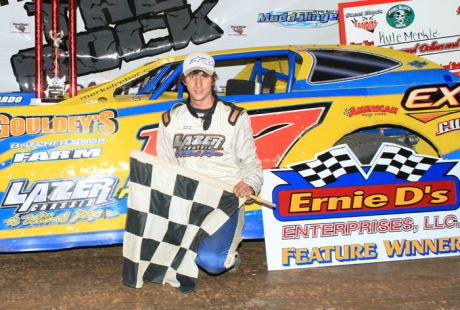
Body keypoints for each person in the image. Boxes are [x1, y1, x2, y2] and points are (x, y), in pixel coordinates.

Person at [156, 51, 263, 274]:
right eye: (192, 76)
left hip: (225, 200)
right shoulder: (170, 119)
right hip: (187, 201)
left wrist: (250, 184)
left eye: (203, 76)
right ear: (184, 81)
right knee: (162, 258)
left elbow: (251, 165)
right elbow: (164, 167)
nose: (197, 83)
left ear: (214, 79)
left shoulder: (234, 117)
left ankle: (225, 253)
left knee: (212, 263)